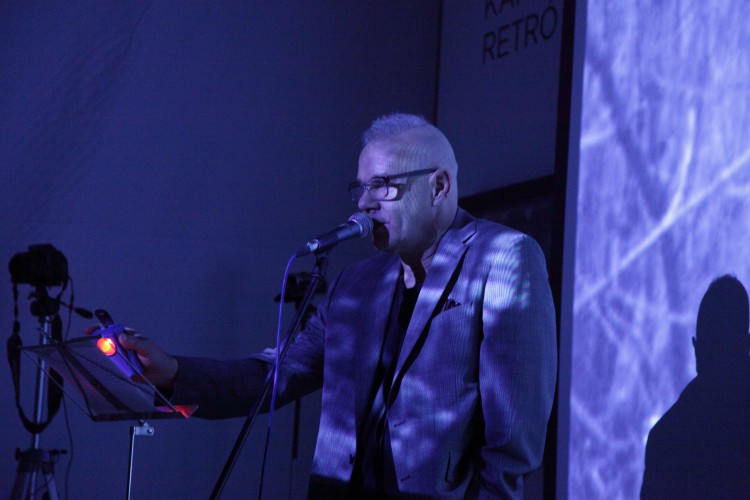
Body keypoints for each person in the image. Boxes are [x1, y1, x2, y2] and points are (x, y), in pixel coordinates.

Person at [122, 113, 557, 498]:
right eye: (361, 188)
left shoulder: (503, 256)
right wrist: (174, 373)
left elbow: (512, 439)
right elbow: (280, 372)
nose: (364, 203)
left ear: (438, 186)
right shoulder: (356, 283)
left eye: (381, 185)